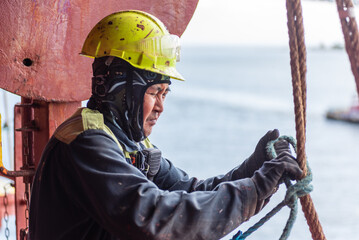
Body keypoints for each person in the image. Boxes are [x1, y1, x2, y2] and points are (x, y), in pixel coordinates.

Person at [29, 10, 303, 240]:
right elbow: (153, 216)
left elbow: (191, 192)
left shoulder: (127, 143)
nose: (161, 107)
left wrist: (252, 169)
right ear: (120, 90)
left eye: (164, 93)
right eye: (153, 92)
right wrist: (253, 189)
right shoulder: (86, 144)